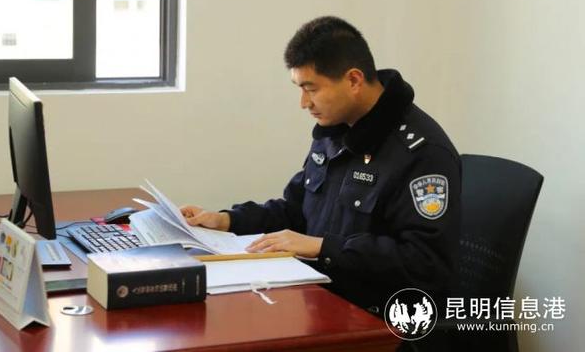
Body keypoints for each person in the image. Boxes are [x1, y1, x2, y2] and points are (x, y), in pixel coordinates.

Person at [180, 16, 460, 316]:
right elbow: (296, 210)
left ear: (354, 80)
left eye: (311, 89)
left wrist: (322, 247)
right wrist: (227, 220)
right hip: (322, 297)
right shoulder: (336, 130)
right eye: (299, 88)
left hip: (381, 316)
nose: (304, 103)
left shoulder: (421, 152)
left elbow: (425, 262)